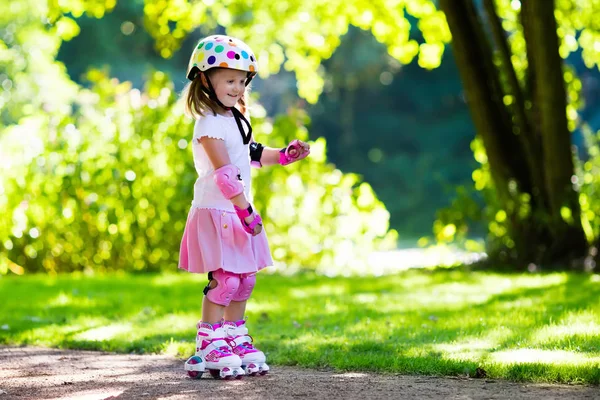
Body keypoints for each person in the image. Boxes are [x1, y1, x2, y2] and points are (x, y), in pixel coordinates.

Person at [178, 35, 310, 380]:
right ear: (205, 80)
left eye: (241, 81)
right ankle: (208, 340)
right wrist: (245, 210)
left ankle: (234, 335)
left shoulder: (235, 119)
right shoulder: (208, 123)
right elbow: (224, 175)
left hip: (236, 209)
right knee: (224, 279)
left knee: (244, 280)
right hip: (220, 210)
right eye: (229, 80)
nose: (238, 88)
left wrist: (283, 156)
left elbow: (250, 154)